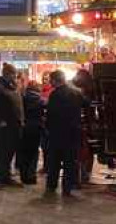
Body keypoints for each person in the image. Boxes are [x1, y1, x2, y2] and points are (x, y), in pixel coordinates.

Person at [45, 70, 87, 198]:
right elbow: (87, 104)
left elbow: (50, 115)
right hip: (72, 133)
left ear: (54, 80)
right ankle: (67, 187)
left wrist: (48, 129)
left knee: (54, 161)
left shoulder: (54, 95)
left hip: (56, 134)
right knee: (70, 161)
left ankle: (51, 186)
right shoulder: (76, 93)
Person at [0, 63, 24, 188]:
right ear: (8, 74)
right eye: (14, 74)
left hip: (14, 125)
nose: (15, 77)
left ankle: (6, 176)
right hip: (4, 126)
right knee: (2, 152)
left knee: (10, 152)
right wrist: (0, 120)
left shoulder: (12, 86)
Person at [18, 81, 45, 185]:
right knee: (34, 153)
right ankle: (31, 176)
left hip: (24, 127)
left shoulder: (22, 98)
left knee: (23, 152)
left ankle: (23, 176)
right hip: (36, 128)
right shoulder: (40, 100)